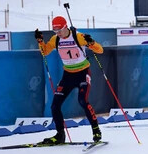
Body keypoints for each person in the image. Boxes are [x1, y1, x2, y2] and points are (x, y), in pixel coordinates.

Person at [36, 16, 103, 145]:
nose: (58, 33)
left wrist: (91, 43)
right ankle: (60, 134)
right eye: (55, 31)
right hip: (68, 75)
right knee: (55, 105)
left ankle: (96, 129)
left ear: (65, 26)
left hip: (83, 73)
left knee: (83, 100)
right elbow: (44, 52)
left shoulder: (78, 37)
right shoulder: (55, 40)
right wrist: (40, 41)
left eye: (60, 30)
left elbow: (100, 50)